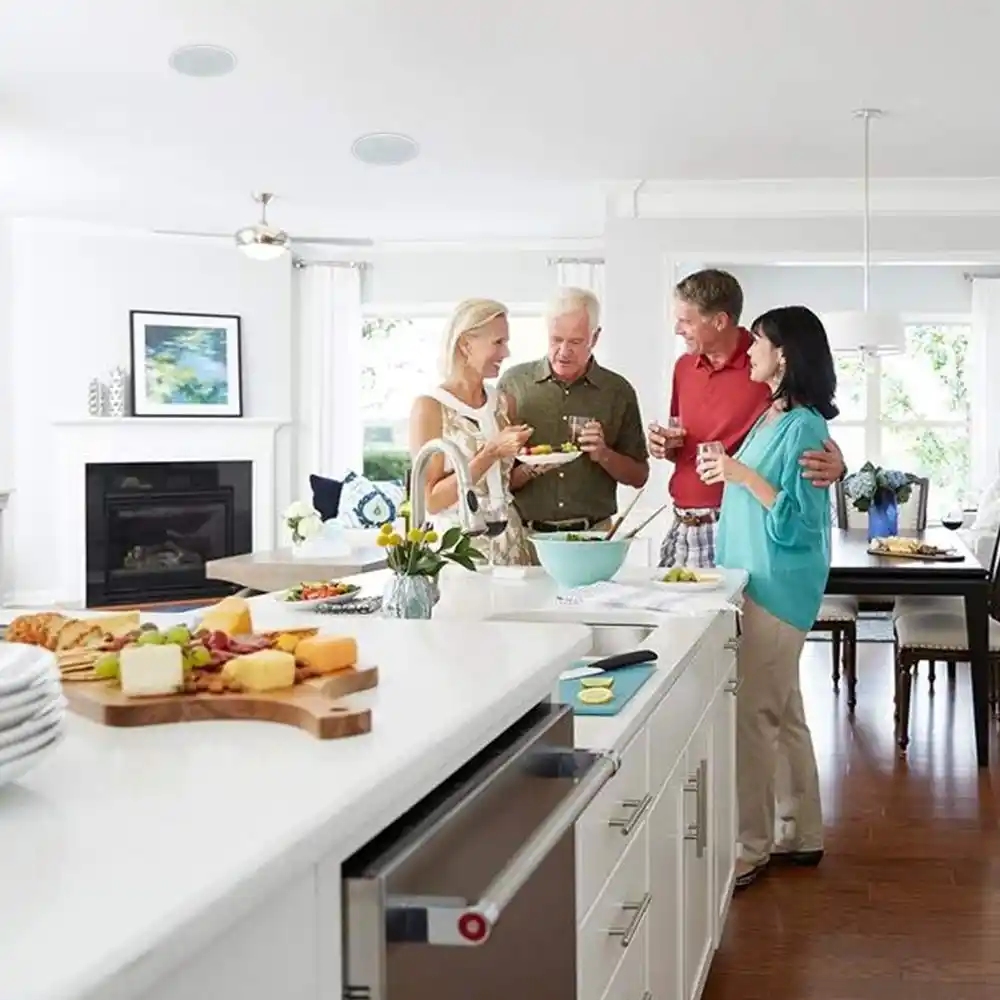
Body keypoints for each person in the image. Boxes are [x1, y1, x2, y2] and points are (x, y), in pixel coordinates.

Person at [699, 304, 836, 890]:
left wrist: (739, 475)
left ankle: (749, 848)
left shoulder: (803, 425)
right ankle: (801, 833)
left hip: (778, 586)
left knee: (755, 717)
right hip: (755, 579)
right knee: (784, 715)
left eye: (756, 341)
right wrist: (732, 474)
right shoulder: (773, 414)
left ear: (783, 352)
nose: (748, 350)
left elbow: (798, 522)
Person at [648, 269, 845, 568]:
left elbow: (806, 426)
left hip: (734, 523)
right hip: (682, 523)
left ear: (719, 321)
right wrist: (665, 445)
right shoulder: (683, 368)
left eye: (686, 321)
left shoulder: (763, 370)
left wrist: (840, 467)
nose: (678, 329)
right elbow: (684, 439)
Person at [498, 287, 649, 536]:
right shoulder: (514, 383)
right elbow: (497, 479)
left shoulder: (618, 391)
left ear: (595, 337)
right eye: (556, 339)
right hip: (526, 537)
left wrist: (603, 454)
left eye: (576, 341)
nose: (564, 351)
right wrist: (529, 467)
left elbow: (639, 476)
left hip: (594, 535)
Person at [408, 298, 535, 565]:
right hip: (459, 548)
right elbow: (431, 500)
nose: (506, 353)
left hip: (509, 542)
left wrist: (533, 467)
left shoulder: (504, 403)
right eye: (498, 342)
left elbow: (501, 484)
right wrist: (490, 453)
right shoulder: (430, 407)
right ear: (466, 344)